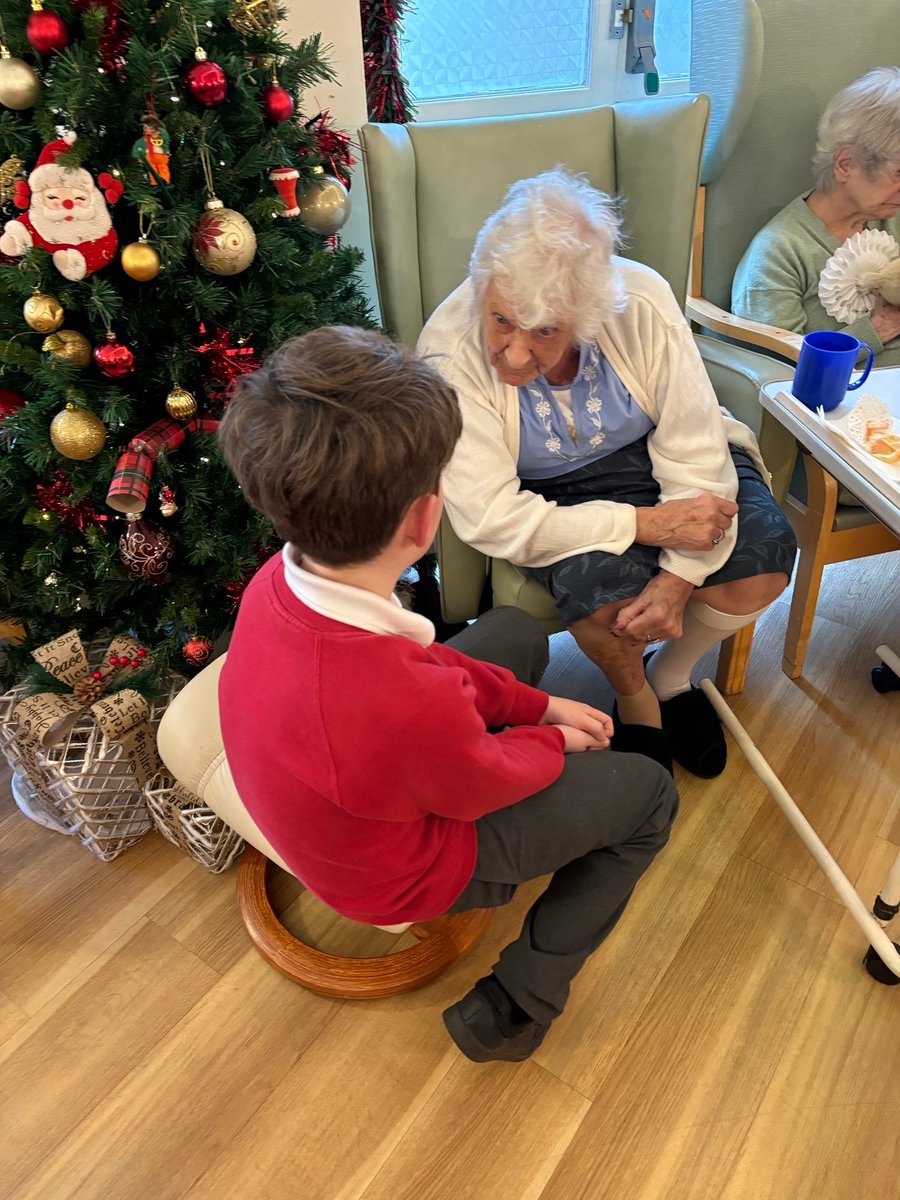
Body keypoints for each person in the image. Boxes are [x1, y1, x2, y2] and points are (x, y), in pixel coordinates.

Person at [217, 326, 679, 1064]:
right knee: (650, 796)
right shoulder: (394, 698)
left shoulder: (279, 578)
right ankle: (516, 1007)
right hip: (402, 871)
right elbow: (476, 782)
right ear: (425, 518)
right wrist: (551, 739)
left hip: (345, 765)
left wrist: (537, 705)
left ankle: (526, 718)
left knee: (514, 633)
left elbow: (427, 673)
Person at [417, 169, 797, 779]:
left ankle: (670, 678)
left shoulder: (640, 302)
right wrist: (644, 525)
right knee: (611, 611)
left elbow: (695, 448)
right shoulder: (448, 351)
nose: (514, 353)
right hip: (549, 491)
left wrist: (678, 577)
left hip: (656, 456)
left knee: (765, 563)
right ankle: (637, 702)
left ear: (588, 314)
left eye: (545, 330)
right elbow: (491, 516)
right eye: (502, 319)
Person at [732, 67, 900, 367]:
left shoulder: (891, 219)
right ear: (845, 164)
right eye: (898, 172)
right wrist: (877, 330)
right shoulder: (778, 253)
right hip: (846, 394)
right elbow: (780, 372)